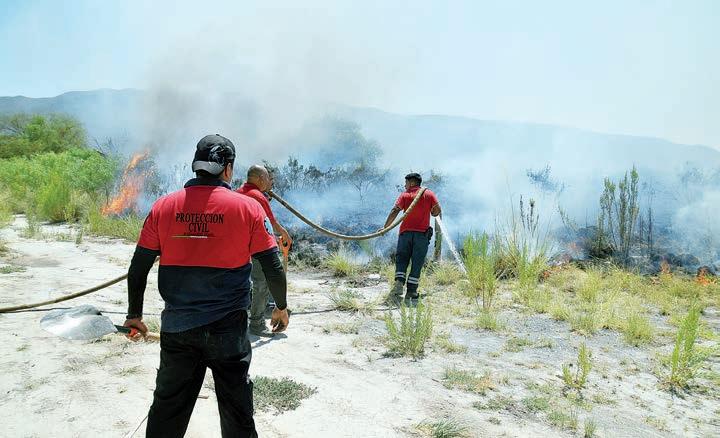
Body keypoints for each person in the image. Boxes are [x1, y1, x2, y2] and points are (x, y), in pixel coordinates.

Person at [123, 134, 289, 438]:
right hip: (229, 331)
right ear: (228, 169)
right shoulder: (248, 208)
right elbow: (273, 267)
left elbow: (138, 268)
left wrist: (134, 315)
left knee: (167, 410)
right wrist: (280, 307)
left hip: (178, 328)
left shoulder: (163, 207)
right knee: (237, 413)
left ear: (196, 165)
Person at [237, 164, 292, 337]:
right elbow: (270, 222)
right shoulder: (257, 196)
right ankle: (257, 324)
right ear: (260, 179)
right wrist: (284, 233)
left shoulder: (238, 192)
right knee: (261, 282)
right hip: (257, 247)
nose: (270, 182)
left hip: (237, 248)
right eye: (268, 178)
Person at [380, 172, 441, 303]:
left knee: (402, 259)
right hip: (421, 236)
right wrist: (428, 208)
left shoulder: (405, 195)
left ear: (412, 182)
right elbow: (437, 211)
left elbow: (395, 210)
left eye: (406, 183)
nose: (405, 185)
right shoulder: (429, 194)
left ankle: (398, 284)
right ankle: (411, 292)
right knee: (417, 262)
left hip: (405, 234)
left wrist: (385, 227)